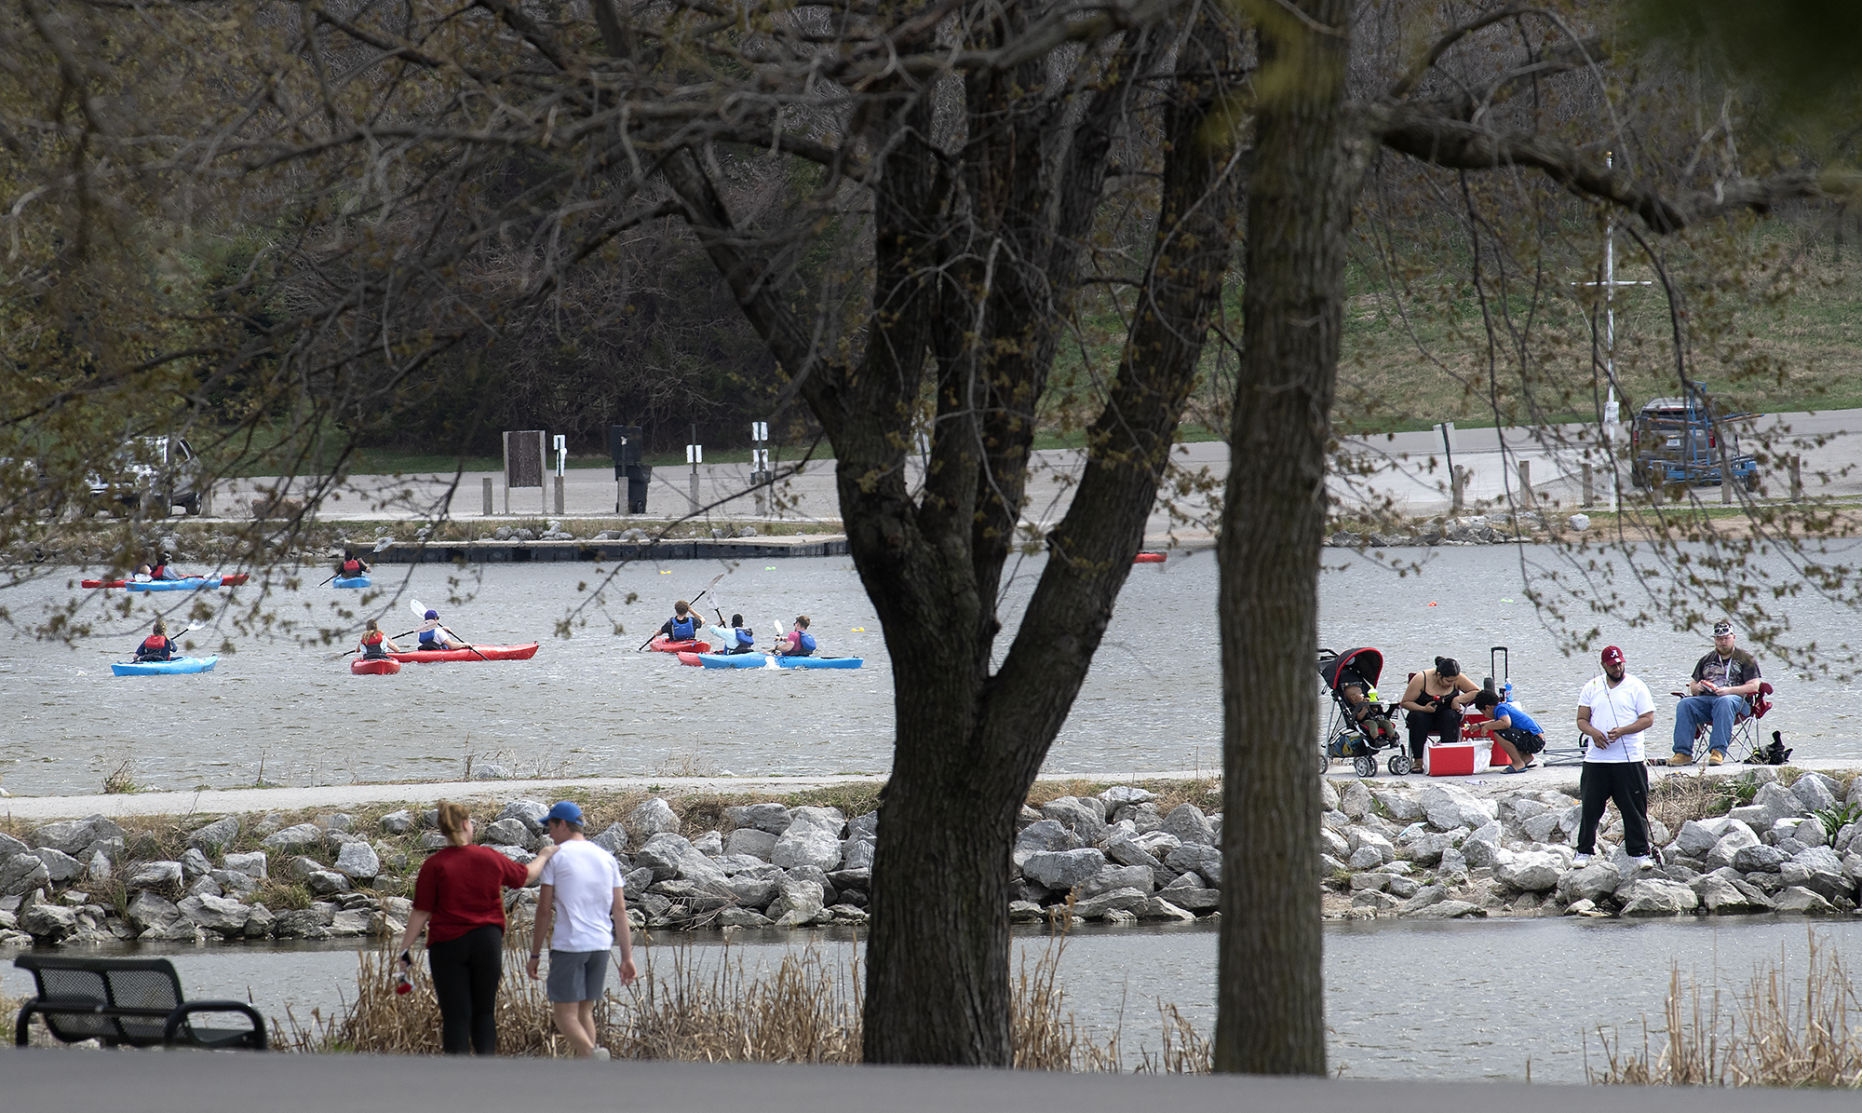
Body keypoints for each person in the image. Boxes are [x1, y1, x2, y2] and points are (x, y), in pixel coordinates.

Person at [397, 800, 556, 1055]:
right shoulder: (488, 857)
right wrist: (544, 855)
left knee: (456, 1016)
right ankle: (486, 1075)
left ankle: (457, 1079)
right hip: (486, 941)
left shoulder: (434, 866)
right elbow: (524, 877)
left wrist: (405, 951)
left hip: (447, 945)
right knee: (484, 1012)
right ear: (465, 825)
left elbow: (421, 912)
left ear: (442, 830)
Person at [527, 801, 636, 1060]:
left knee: (564, 1015)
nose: (550, 834)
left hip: (570, 945)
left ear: (563, 824)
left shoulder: (556, 857)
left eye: (551, 827)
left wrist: (534, 954)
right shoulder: (606, 858)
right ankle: (590, 1072)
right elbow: (619, 911)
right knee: (584, 1013)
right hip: (600, 945)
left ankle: (593, 1056)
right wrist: (627, 957)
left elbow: (544, 910)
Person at [1574, 645, 1657, 869]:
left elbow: (1648, 719)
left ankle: (1640, 853)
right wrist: (1593, 733)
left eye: (1620, 663)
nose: (1617, 667)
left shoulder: (1637, 686)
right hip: (1597, 761)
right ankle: (1583, 851)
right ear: (1604, 666)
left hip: (1628, 759)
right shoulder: (1591, 687)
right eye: (1612, 665)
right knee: (1590, 808)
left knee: (1633, 808)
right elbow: (1581, 719)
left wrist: (1622, 731)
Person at [1668, 618, 1764, 767]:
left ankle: (1717, 751)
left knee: (1724, 701)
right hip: (1709, 701)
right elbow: (1693, 683)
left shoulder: (1746, 659)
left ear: (1733, 637)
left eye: (1726, 638)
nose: (1722, 642)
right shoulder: (1706, 659)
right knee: (1685, 704)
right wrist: (1697, 687)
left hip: (1738, 704)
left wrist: (1729, 691)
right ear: (1714, 639)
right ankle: (1683, 753)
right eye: (1719, 639)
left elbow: (1754, 686)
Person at [1397, 656, 1479, 771]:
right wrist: (1423, 708)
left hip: (1446, 716)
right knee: (1419, 717)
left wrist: (1458, 700)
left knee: (1450, 716)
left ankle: (1448, 757)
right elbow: (1405, 702)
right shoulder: (1421, 678)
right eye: (1448, 681)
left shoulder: (1457, 678)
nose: (1451, 684)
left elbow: (1477, 692)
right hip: (1423, 713)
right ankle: (1418, 761)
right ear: (1439, 675)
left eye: (1454, 681)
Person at [1468, 688, 1547, 773]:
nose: (1485, 716)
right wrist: (1481, 725)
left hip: (1534, 740)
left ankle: (1518, 763)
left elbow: (1505, 723)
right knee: (1500, 728)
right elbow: (1498, 721)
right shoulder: (1503, 706)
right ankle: (1525, 758)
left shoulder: (1500, 709)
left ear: (1487, 708)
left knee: (1499, 732)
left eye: (1483, 713)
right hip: (1537, 739)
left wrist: (1487, 727)